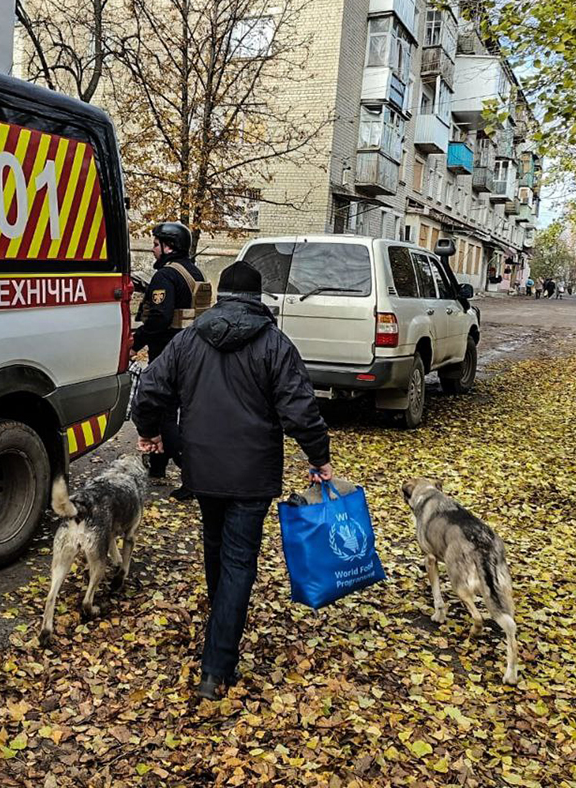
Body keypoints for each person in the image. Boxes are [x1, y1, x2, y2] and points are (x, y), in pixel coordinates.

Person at [131, 261, 333, 700]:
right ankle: (217, 666)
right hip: (252, 474)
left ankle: (220, 628)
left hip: (202, 469)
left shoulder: (188, 340)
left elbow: (150, 389)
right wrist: (320, 458)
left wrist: (148, 432)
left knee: (216, 548)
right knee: (239, 561)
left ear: (220, 296)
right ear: (259, 299)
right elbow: (300, 408)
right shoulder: (275, 344)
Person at [131, 221, 205, 500]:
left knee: (162, 415)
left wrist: (136, 343)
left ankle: (193, 476)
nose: (152, 250)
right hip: (192, 352)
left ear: (168, 246)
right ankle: (159, 467)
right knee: (182, 414)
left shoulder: (165, 276)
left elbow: (159, 318)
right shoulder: (192, 270)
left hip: (168, 355)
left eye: (155, 244)